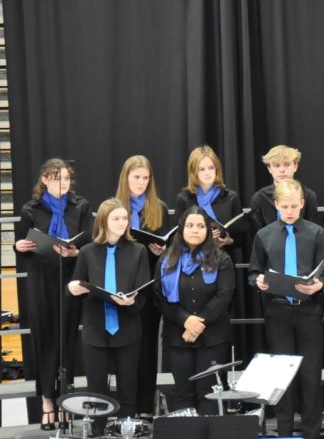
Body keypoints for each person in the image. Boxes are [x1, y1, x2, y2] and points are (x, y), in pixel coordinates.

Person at [13, 158, 92, 430]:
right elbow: (21, 246)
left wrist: (76, 251)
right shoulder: (30, 209)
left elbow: (88, 240)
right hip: (41, 278)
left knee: (66, 337)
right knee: (45, 337)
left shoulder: (80, 205)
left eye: (67, 178)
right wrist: (19, 245)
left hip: (70, 275)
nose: (64, 183)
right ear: (45, 179)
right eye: (58, 178)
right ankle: (47, 401)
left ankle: (66, 400)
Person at [250, 179, 324, 438]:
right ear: (276, 205)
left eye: (295, 206)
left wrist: (319, 285)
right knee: (281, 377)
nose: (290, 211)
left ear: (303, 204)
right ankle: (284, 432)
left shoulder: (316, 233)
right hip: (278, 312)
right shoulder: (264, 235)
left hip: (308, 310)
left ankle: (311, 433)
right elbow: (254, 272)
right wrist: (259, 281)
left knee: (310, 375)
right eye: (284, 206)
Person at [67, 199, 150, 434]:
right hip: (95, 329)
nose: (122, 223)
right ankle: (97, 431)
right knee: (96, 389)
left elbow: (144, 293)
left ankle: (126, 431)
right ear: (103, 221)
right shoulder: (87, 252)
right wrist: (72, 289)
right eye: (116, 218)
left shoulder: (138, 251)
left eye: (125, 218)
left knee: (128, 386)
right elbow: (76, 286)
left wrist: (133, 301)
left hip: (128, 328)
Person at [153, 206, 235, 416]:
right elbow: (160, 298)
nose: (195, 230)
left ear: (208, 229)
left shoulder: (221, 258)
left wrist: (197, 323)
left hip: (213, 337)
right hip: (178, 337)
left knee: (208, 392)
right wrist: (185, 320)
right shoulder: (165, 260)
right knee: (183, 393)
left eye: (200, 226)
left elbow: (224, 296)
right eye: (190, 225)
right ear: (181, 229)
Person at [173, 145, 248, 361]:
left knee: (217, 314)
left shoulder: (230, 196)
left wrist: (227, 239)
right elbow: (178, 232)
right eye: (202, 169)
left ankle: (215, 361)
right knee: (190, 311)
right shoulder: (184, 198)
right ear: (193, 172)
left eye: (211, 168)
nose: (207, 173)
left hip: (220, 263)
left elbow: (241, 234)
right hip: (189, 264)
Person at [115, 155, 171, 419]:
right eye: (136, 177)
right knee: (125, 348)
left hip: (149, 285)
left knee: (148, 347)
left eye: (145, 177)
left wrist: (162, 250)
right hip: (122, 286)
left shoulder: (157, 207)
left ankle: (145, 408)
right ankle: (126, 408)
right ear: (126, 178)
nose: (141, 182)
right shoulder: (115, 207)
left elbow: (169, 246)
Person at [249, 144, 320, 230]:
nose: (282, 170)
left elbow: (313, 231)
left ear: (295, 166)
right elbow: (256, 236)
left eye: (286, 165)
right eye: (277, 165)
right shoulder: (260, 198)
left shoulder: (308, 196)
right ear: (269, 169)